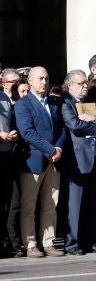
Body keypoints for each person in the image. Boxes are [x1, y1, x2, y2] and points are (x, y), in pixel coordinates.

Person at [14, 67, 67, 257]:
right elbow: (27, 132)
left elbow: (61, 129)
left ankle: (49, 242)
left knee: (50, 205)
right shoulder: (23, 105)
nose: (44, 82)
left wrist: (58, 149)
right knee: (29, 206)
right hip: (33, 161)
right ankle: (30, 245)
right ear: (29, 81)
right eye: (40, 79)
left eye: (46, 78)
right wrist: (50, 149)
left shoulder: (54, 103)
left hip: (55, 161)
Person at [61, 70, 96, 255]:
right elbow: (74, 125)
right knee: (75, 204)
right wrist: (95, 125)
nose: (85, 86)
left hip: (95, 157)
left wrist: (95, 119)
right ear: (70, 85)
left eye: (85, 83)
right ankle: (72, 243)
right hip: (78, 159)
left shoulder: (87, 103)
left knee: (93, 203)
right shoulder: (66, 103)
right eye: (81, 83)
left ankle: (90, 240)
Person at [0, 88, 20, 257]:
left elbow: (12, 120)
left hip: (5, 154)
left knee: (6, 201)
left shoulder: (4, 97)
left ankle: (4, 242)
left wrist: (13, 132)